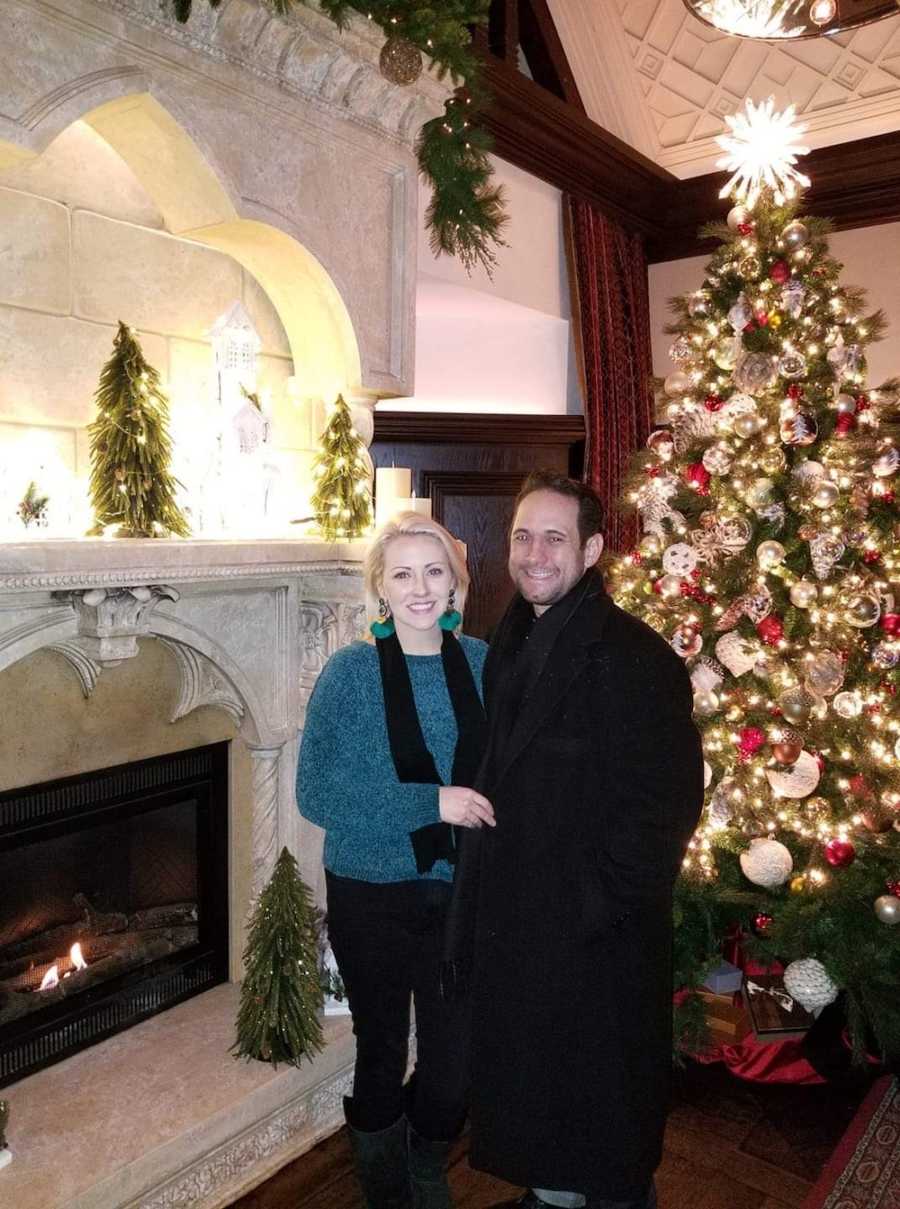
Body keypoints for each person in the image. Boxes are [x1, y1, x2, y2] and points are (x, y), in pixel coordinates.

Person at [449, 471, 704, 1209]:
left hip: (593, 944)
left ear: (592, 549)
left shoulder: (638, 659)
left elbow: (662, 814)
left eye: (554, 537)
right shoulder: (512, 632)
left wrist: (579, 908)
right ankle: (552, 1194)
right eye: (523, 535)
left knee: (600, 1127)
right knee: (547, 1107)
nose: (534, 553)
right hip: (523, 929)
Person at [297, 512, 494, 1209]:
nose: (419, 587)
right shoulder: (349, 674)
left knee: (452, 1065)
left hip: (456, 891)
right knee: (381, 1050)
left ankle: (423, 1155)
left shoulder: (479, 661)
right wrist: (430, 803)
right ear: (380, 585)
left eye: (434, 571)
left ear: (455, 584)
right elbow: (316, 791)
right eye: (403, 572)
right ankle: (387, 1189)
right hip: (369, 890)